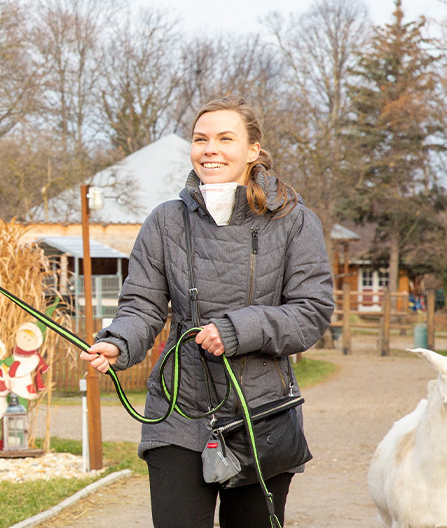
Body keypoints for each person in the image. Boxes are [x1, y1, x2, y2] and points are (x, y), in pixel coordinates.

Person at [80, 94, 334, 528]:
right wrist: (118, 343)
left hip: (262, 415)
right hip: (178, 411)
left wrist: (237, 329)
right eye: (200, 139)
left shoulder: (294, 220)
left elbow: (311, 311)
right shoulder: (165, 221)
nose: (209, 148)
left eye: (224, 138)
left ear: (252, 150)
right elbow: (141, 304)